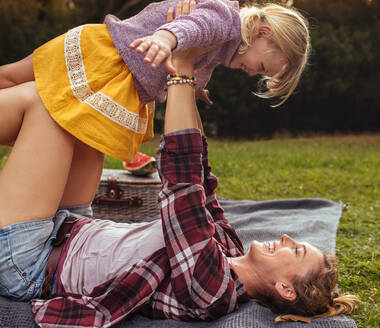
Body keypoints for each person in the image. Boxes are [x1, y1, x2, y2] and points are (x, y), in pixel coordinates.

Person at [0, 42, 358, 328]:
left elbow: (183, 190)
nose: (286, 239)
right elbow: (201, 177)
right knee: (91, 112)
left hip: (30, 263)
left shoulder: (212, 288)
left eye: (295, 251)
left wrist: (182, 69)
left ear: (285, 290)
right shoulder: (228, 248)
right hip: (71, 227)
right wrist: (194, 85)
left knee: (46, 107)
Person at [0, 0, 310, 228]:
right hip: (105, 58)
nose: (253, 73)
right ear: (263, 33)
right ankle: (66, 218)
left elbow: (185, 67)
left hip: (119, 81)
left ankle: (69, 220)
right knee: (15, 82)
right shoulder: (224, 17)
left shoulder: (218, 52)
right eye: (263, 68)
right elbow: (193, 27)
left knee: (81, 136)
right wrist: (165, 38)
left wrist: (195, 88)